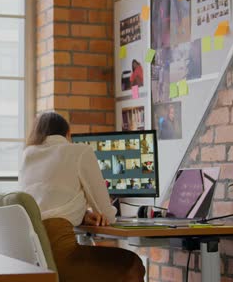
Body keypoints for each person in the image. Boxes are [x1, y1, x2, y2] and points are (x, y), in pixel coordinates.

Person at [18, 112, 145, 282]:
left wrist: (84, 215)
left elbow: (47, 205)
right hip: (61, 257)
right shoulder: (79, 151)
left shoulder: (27, 155)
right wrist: (97, 214)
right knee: (133, 263)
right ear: (68, 134)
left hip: (34, 260)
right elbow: (107, 215)